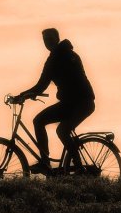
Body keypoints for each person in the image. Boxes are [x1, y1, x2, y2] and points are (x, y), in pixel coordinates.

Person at [13, 28, 95, 174]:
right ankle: (54, 163)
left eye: (50, 39)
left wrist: (22, 95)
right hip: (76, 102)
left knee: (55, 127)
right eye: (45, 40)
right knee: (52, 126)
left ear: (57, 39)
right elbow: (42, 85)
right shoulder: (69, 54)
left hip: (80, 103)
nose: (47, 42)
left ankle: (73, 166)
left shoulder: (57, 58)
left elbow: (41, 85)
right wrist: (27, 94)